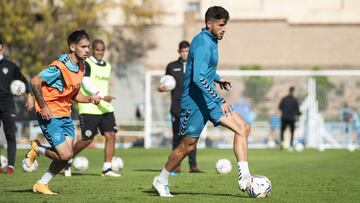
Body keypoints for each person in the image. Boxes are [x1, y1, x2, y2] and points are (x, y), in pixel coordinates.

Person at [152, 6, 252, 197]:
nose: (224, 29)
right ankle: (161, 179)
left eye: (225, 25)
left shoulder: (211, 40)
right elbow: (198, 78)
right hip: (195, 103)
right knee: (187, 147)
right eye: (221, 25)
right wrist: (219, 98)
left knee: (243, 128)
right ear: (209, 24)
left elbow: (203, 69)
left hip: (208, 101)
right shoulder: (204, 43)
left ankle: (245, 177)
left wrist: (217, 78)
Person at [25, 30, 102, 195]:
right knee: (65, 154)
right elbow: (35, 81)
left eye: (88, 46)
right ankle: (37, 148)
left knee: (67, 156)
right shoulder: (59, 67)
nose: (87, 50)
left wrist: (90, 99)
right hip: (50, 115)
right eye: (83, 47)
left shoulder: (82, 66)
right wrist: (43, 106)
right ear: (72, 47)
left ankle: (42, 184)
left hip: (65, 115)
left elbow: (74, 95)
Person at [63, 39, 120, 177]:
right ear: (93, 50)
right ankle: (67, 159)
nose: (100, 52)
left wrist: (103, 98)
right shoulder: (86, 63)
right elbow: (86, 82)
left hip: (105, 107)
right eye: (97, 50)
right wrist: (99, 95)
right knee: (87, 139)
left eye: (102, 50)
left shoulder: (108, 66)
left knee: (111, 135)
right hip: (89, 107)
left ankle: (107, 168)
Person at [158, 40, 204, 174]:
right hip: (176, 106)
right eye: (183, 51)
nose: (185, 53)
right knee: (177, 136)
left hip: (192, 106)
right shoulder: (171, 66)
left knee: (192, 135)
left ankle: (193, 166)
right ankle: (175, 165)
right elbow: (165, 83)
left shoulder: (195, 65)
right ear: (179, 52)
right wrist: (161, 88)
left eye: (187, 51)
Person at [0, 39, 34, 174]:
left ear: (1, 47)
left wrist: (29, 95)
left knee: (10, 135)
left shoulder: (10, 66)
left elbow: (23, 80)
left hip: (7, 105)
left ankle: (10, 166)